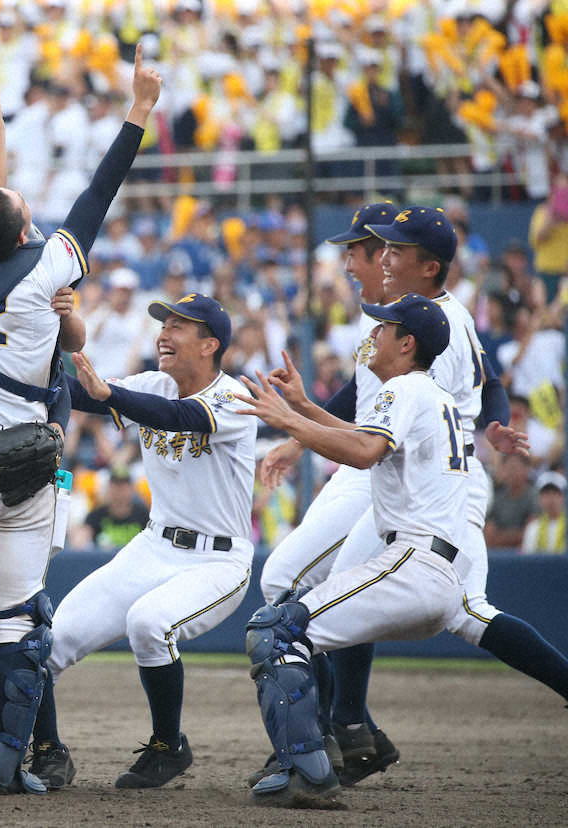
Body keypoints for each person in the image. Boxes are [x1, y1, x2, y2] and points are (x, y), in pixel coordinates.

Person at [0, 45, 161, 796]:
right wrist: (138, 111)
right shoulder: (47, 266)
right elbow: (95, 195)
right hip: (21, 457)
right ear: (24, 235)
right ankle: (10, 757)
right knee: (17, 620)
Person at [235, 294, 467, 805]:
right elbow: (362, 435)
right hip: (431, 566)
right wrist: (302, 408)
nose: (374, 335)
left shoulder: (403, 387)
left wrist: (288, 422)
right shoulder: (429, 393)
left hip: (412, 563)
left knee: (274, 630)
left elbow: (362, 452)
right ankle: (343, 738)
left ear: (407, 344)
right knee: (291, 624)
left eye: (385, 328)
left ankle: (311, 771)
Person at [33, 293, 256, 790]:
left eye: (179, 325)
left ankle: (167, 745)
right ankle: (48, 752)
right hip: (154, 546)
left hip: (217, 560)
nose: (164, 333)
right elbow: (86, 393)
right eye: (163, 323)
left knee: (149, 624)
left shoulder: (233, 395)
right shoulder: (152, 383)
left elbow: (179, 418)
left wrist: (110, 395)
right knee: (45, 644)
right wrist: (24, 364)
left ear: (210, 344)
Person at [255, 203, 400, 777]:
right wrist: (302, 436)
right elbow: (359, 397)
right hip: (357, 462)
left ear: (384, 252)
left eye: (355, 249)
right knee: (291, 582)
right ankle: (348, 724)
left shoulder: (424, 319)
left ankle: (335, 727)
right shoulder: (376, 320)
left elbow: (470, 388)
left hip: (385, 470)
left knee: (300, 583)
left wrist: (304, 428)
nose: (346, 260)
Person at [80, 466, 150, 551]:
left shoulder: (143, 514)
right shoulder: (96, 515)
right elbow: (81, 541)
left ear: (131, 489)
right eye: (116, 485)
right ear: (109, 487)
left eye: (124, 486)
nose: (120, 491)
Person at [521, 472, 566, 555]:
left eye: (555, 493)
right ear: (539, 498)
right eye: (546, 494)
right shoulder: (533, 528)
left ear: (563, 497)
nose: (551, 499)